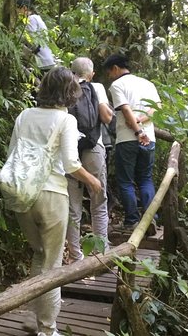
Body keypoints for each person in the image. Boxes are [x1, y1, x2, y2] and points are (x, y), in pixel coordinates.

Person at [6, 66, 102, 336]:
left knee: (40, 255)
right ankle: (47, 330)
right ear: (70, 92)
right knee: (52, 264)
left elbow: (13, 153)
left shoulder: (24, 115)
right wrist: (92, 181)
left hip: (22, 193)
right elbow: (71, 163)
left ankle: (36, 318)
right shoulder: (65, 120)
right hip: (51, 195)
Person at [102, 54, 162, 235]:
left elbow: (126, 109)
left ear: (115, 69)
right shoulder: (147, 84)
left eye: (109, 73)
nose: (109, 77)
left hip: (128, 139)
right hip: (149, 138)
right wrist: (142, 122)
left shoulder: (117, 85)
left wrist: (137, 130)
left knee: (126, 181)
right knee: (145, 179)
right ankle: (150, 218)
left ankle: (132, 221)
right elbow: (157, 107)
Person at [66, 57, 114, 263]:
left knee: (73, 207)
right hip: (93, 148)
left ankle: (76, 257)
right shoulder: (96, 87)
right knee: (98, 202)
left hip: (70, 149)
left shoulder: (64, 87)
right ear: (91, 74)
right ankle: (100, 253)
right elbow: (106, 117)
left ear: (72, 71)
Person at [16, 0, 56, 74]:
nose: (17, 11)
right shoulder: (37, 17)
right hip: (47, 58)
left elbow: (32, 39)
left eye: (18, 8)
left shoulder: (31, 19)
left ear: (24, 8)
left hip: (42, 59)